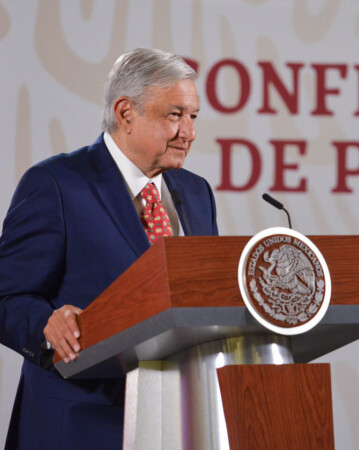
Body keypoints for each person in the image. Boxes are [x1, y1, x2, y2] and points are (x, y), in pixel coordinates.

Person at [0, 48, 219, 449]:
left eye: (193, 117)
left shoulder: (197, 192)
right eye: (174, 115)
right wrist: (47, 324)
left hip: (178, 423)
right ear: (125, 113)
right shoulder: (57, 184)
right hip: (79, 427)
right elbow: (6, 297)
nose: (189, 132)